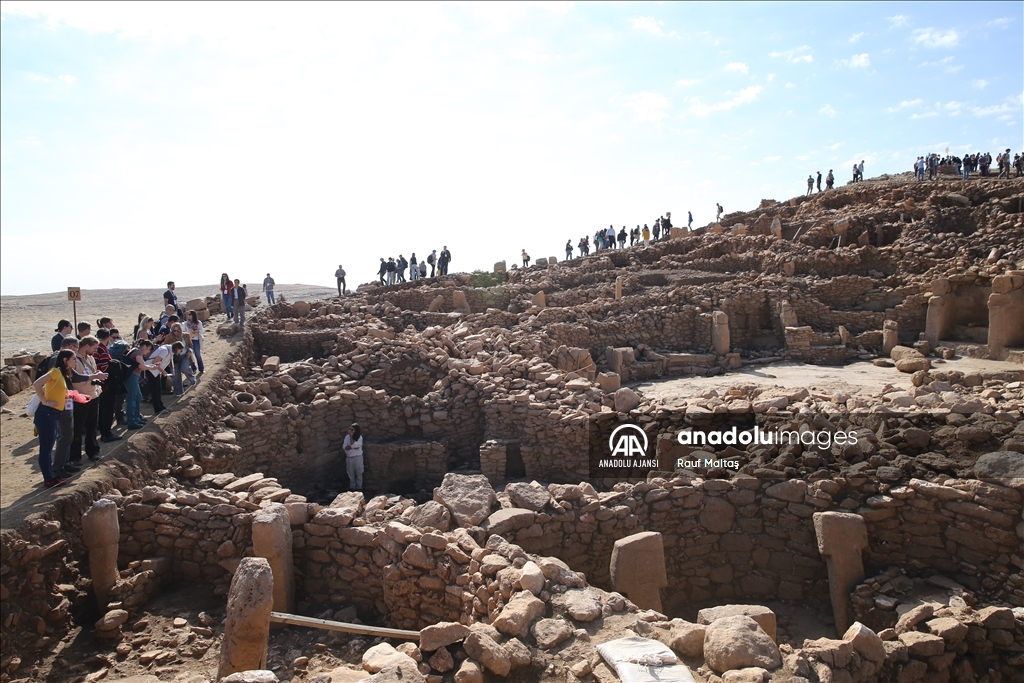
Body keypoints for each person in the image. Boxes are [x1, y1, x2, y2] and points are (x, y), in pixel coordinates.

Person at [32, 349, 77, 487]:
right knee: (46, 449)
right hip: (46, 414)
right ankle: (49, 479)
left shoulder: (62, 375)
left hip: (52, 414)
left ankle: (51, 476)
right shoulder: (56, 372)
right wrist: (45, 401)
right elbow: (37, 384)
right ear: (65, 360)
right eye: (73, 359)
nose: (75, 361)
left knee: (48, 447)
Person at [69, 336, 106, 466]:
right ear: (86, 346)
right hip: (80, 398)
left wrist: (98, 374)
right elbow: (75, 378)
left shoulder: (90, 358)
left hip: (93, 395)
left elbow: (93, 371)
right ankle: (75, 456)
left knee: (92, 426)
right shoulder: (74, 360)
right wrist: (94, 375)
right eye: (94, 348)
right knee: (78, 428)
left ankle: (93, 451)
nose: (95, 351)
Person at [143, 340, 171, 416]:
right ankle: (157, 409)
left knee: (158, 389)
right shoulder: (165, 351)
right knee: (155, 390)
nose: (149, 352)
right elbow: (154, 362)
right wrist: (163, 371)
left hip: (155, 370)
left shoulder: (165, 350)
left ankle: (161, 406)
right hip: (151, 370)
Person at [343, 423, 364, 491]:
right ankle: (352, 487)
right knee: (350, 474)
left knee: (359, 473)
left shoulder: (359, 437)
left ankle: (359, 488)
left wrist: (352, 438)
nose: (350, 431)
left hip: (358, 458)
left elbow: (356, 446)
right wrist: (352, 447)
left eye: (352, 429)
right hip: (349, 458)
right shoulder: (347, 437)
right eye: (349, 429)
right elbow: (345, 447)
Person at [184, 310, 205, 374]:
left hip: (196, 340)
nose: (188, 316)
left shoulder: (198, 323)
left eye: (190, 315)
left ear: (193, 315)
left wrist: (197, 331)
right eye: (188, 315)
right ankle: (193, 368)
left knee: (197, 354)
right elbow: (183, 331)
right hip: (188, 340)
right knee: (189, 355)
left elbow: (202, 330)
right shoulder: (185, 323)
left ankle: (201, 368)